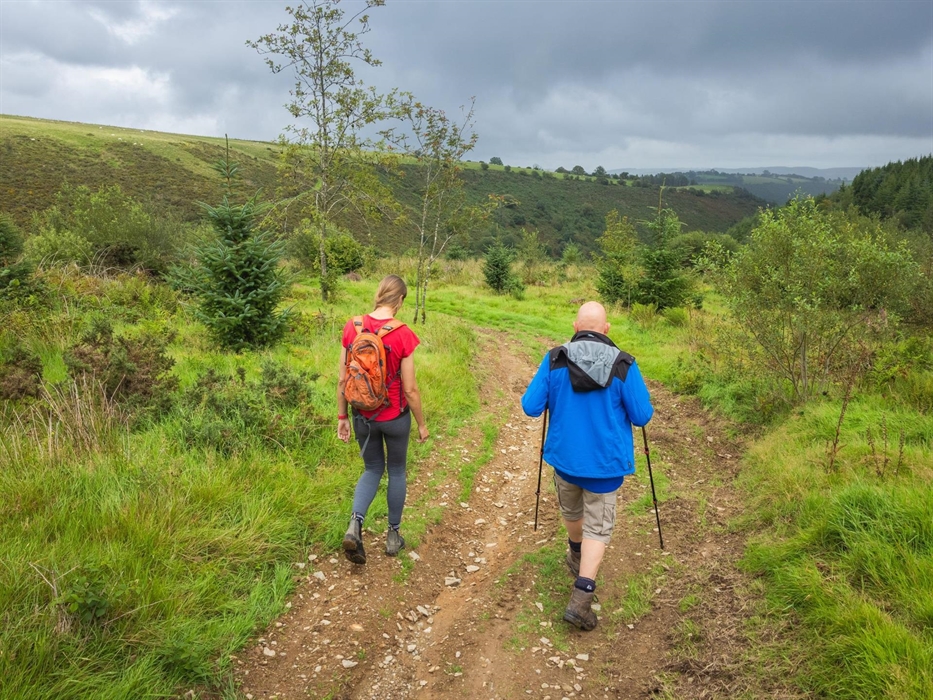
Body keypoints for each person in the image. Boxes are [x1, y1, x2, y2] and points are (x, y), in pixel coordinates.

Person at [521, 301, 654, 630]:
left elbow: (530, 406)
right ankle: (581, 598)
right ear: (606, 329)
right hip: (605, 467)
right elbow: (641, 416)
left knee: (573, 512)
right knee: (599, 527)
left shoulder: (555, 359)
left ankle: (576, 554)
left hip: (565, 460)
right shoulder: (624, 364)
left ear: (576, 327)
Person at [337, 275, 429, 564]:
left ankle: (355, 525)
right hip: (394, 417)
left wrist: (342, 417)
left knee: (372, 469)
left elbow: (342, 379)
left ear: (378, 294)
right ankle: (392, 536)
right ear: (400, 300)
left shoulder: (352, 328)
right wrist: (422, 424)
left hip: (361, 415)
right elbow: (410, 389)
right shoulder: (403, 334)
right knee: (397, 471)